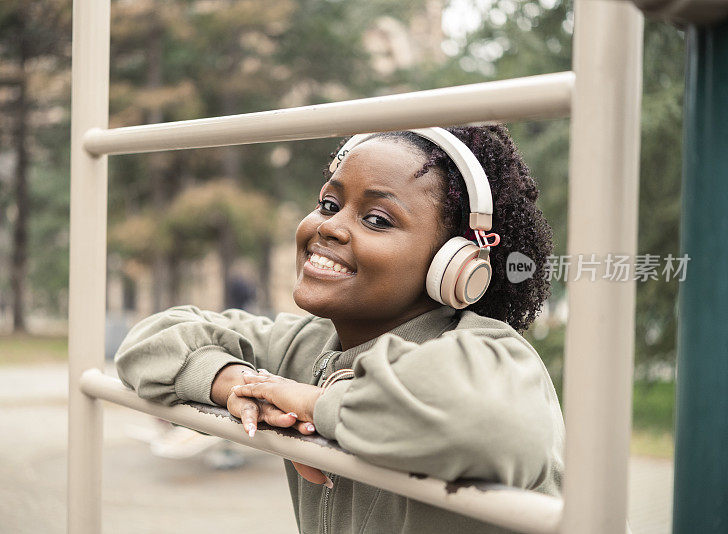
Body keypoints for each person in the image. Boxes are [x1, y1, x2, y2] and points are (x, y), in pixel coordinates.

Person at [115, 125, 564, 534]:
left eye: (377, 219)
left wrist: (313, 403)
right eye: (329, 204)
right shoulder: (306, 344)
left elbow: (489, 426)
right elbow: (151, 340)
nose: (329, 226)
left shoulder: (490, 353)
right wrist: (236, 383)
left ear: (456, 267)